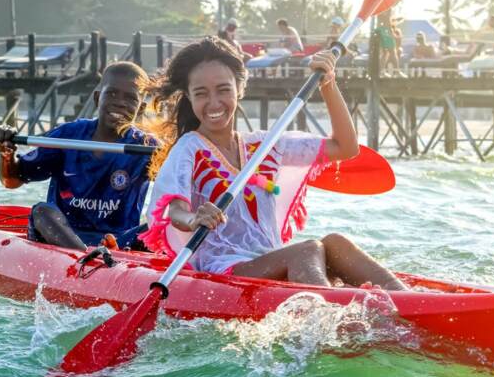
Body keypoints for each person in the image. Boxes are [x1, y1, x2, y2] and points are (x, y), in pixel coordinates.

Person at [140, 37, 407, 290]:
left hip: (271, 257)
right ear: (189, 96)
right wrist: (194, 217)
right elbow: (174, 210)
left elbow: (345, 147)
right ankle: (334, 315)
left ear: (240, 89)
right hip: (223, 270)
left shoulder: (267, 146)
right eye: (201, 94)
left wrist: (328, 84)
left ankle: (407, 301)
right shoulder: (189, 147)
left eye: (223, 90)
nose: (214, 103)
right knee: (308, 249)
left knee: (336, 243)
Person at [0, 61, 157, 251]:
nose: (119, 102)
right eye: (111, 93)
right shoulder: (68, 135)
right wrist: (6, 153)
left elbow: (178, 187)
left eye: (130, 98)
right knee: (42, 212)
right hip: (62, 235)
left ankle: (102, 258)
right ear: (97, 98)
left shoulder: (147, 147)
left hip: (118, 243)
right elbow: (11, 180)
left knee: (162, 225)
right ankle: (85, 257)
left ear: (141, 109)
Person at [375, 10, 404, 77]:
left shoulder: (380, 9)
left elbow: (383, 22)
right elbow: (387, 22)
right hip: (386, 31)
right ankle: (397, 71)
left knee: (385, 53)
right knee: (393, 52)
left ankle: (381, 72)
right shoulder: (387, 8)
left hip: (381, 30)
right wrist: (391, 33)